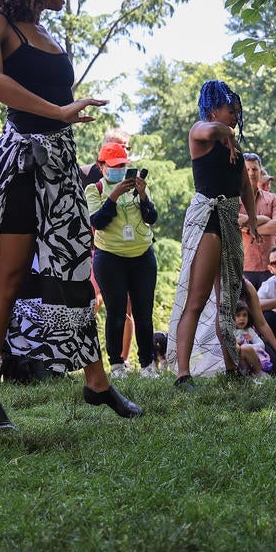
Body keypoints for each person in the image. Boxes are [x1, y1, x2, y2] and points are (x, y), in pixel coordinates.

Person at [0, 0, 139, 430]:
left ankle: (96, 381)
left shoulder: (44, 32)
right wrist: (58, 112)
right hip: (22, 169)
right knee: (8, 278)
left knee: (75, 268)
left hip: (58, 166)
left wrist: (63, 118)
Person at [166, 79, 261, 390]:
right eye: (230, 110)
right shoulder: (200, 132)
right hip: (207, 220)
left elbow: (245, 186)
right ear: (214, 109)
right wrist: (229, 136)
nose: (235, 116)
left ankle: (232, 368)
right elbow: (212, 131)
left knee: (227, 303)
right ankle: (183, 374)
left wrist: (255, 221)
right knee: (196, 299)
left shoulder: (234, 146)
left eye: (236, 112)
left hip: (229, 220)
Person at [85, 141, 160, 378]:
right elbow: (98, 222)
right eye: (114, 166)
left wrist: (143, 195)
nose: (119, 170)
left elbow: (151, 218)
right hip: (110, 258)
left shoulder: (138, 188)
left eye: (123, 165)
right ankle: (117, 365)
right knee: (116, 313)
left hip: (142, 256)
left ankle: (148, 364)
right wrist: (115, 195)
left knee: (143, 313)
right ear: (102, 165)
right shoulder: (94, 189)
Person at [239, 152, 276, 287]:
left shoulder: (273, 199)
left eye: (254, 169)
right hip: (244, 268)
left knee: (272, 307)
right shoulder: (233, 200)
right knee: (246, 308)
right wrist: (264, 219)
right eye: (247, 169)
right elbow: (234, 223)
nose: (251, 173)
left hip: (272, 267)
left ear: (260, 172)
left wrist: (249, 227)